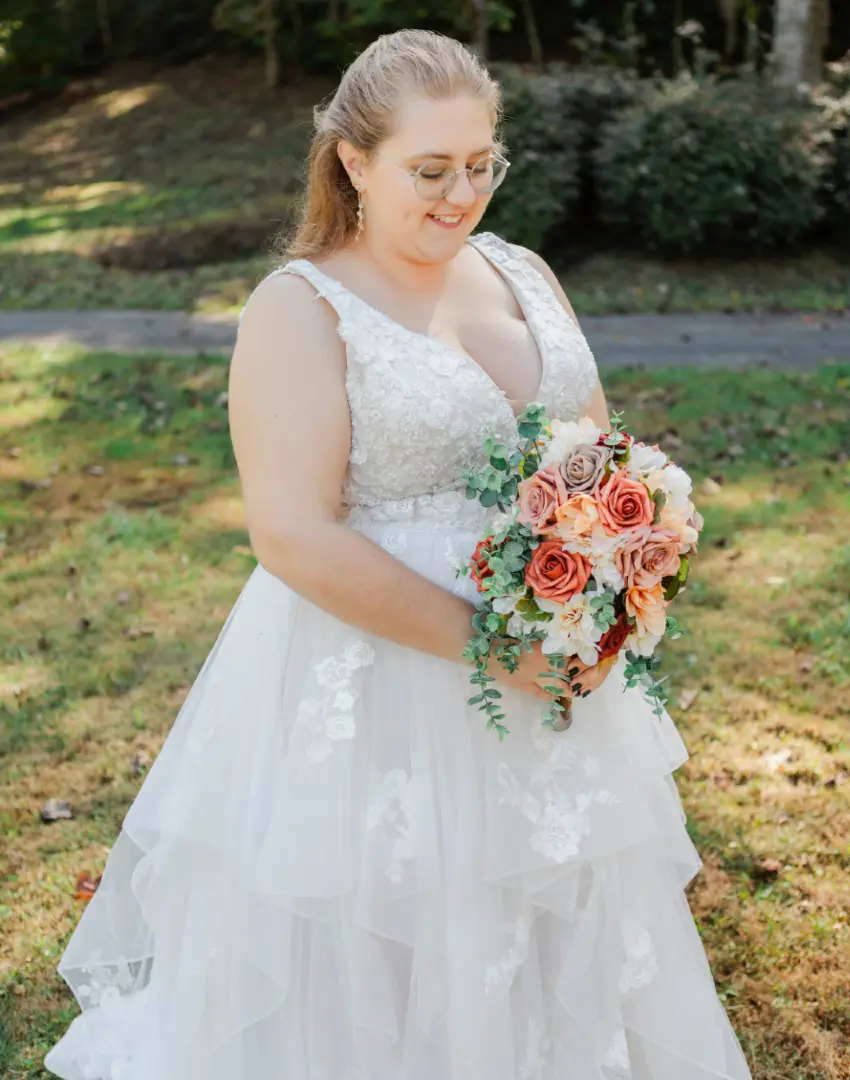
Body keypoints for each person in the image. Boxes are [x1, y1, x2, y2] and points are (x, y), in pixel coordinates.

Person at [44, 27, 754, 1080]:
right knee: (403, 929)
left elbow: (598, 456)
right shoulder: (300, 308)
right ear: (354, 160)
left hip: (554, 660)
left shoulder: (523, 271)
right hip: (384, 682)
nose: (462, 194)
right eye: (431, 170)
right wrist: (492, 647)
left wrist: (620, 575)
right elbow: (292, 534)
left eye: (482, 164)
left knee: (553, 912)